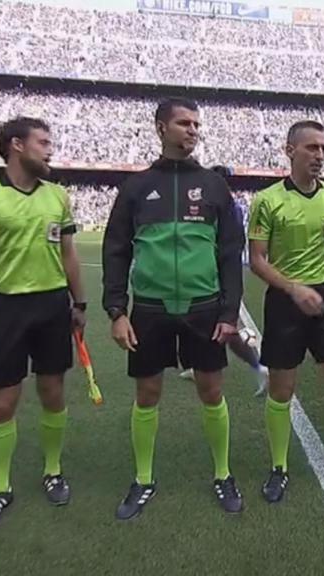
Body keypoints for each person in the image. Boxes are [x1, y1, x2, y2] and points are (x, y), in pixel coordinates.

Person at [102, 98, 245, 520]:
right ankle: (143, 479)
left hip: (204, 307)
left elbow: (230, 252)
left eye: (197, 123)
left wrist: (229, 311)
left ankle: (223, 473)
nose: (192, 129)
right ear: (161, 127)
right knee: (147, 395)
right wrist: (117, 310)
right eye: (184, 122)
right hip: (149, 307)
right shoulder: (135, 187)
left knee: (211, 391)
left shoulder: (216, 186)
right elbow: (116, 251)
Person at [0, 117, 87, 530]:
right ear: (16, 146)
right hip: (6, 307)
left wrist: (79, 302)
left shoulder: (58, 196)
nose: (50, 150)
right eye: (43, 142)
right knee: (4, 401)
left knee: (52, 391)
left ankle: (52, 469)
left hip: (51, 306)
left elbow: (69, 254)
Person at [248, 120, 324, 503]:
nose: (319, 155)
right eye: (311, 148)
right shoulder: (267, 200)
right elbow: (257, 260)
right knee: (282, 390)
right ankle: (279, 467)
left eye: (323, 148)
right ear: (290, 151)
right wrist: (293, 289)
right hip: (286, 301)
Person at [179, 165, 269, 396]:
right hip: (203, 275)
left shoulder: (229, 209)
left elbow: (231, 246)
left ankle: (259, 367)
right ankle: (194, 364)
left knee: (226, 329)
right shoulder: (215, 206)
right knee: (191, 319)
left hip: (217, 277)